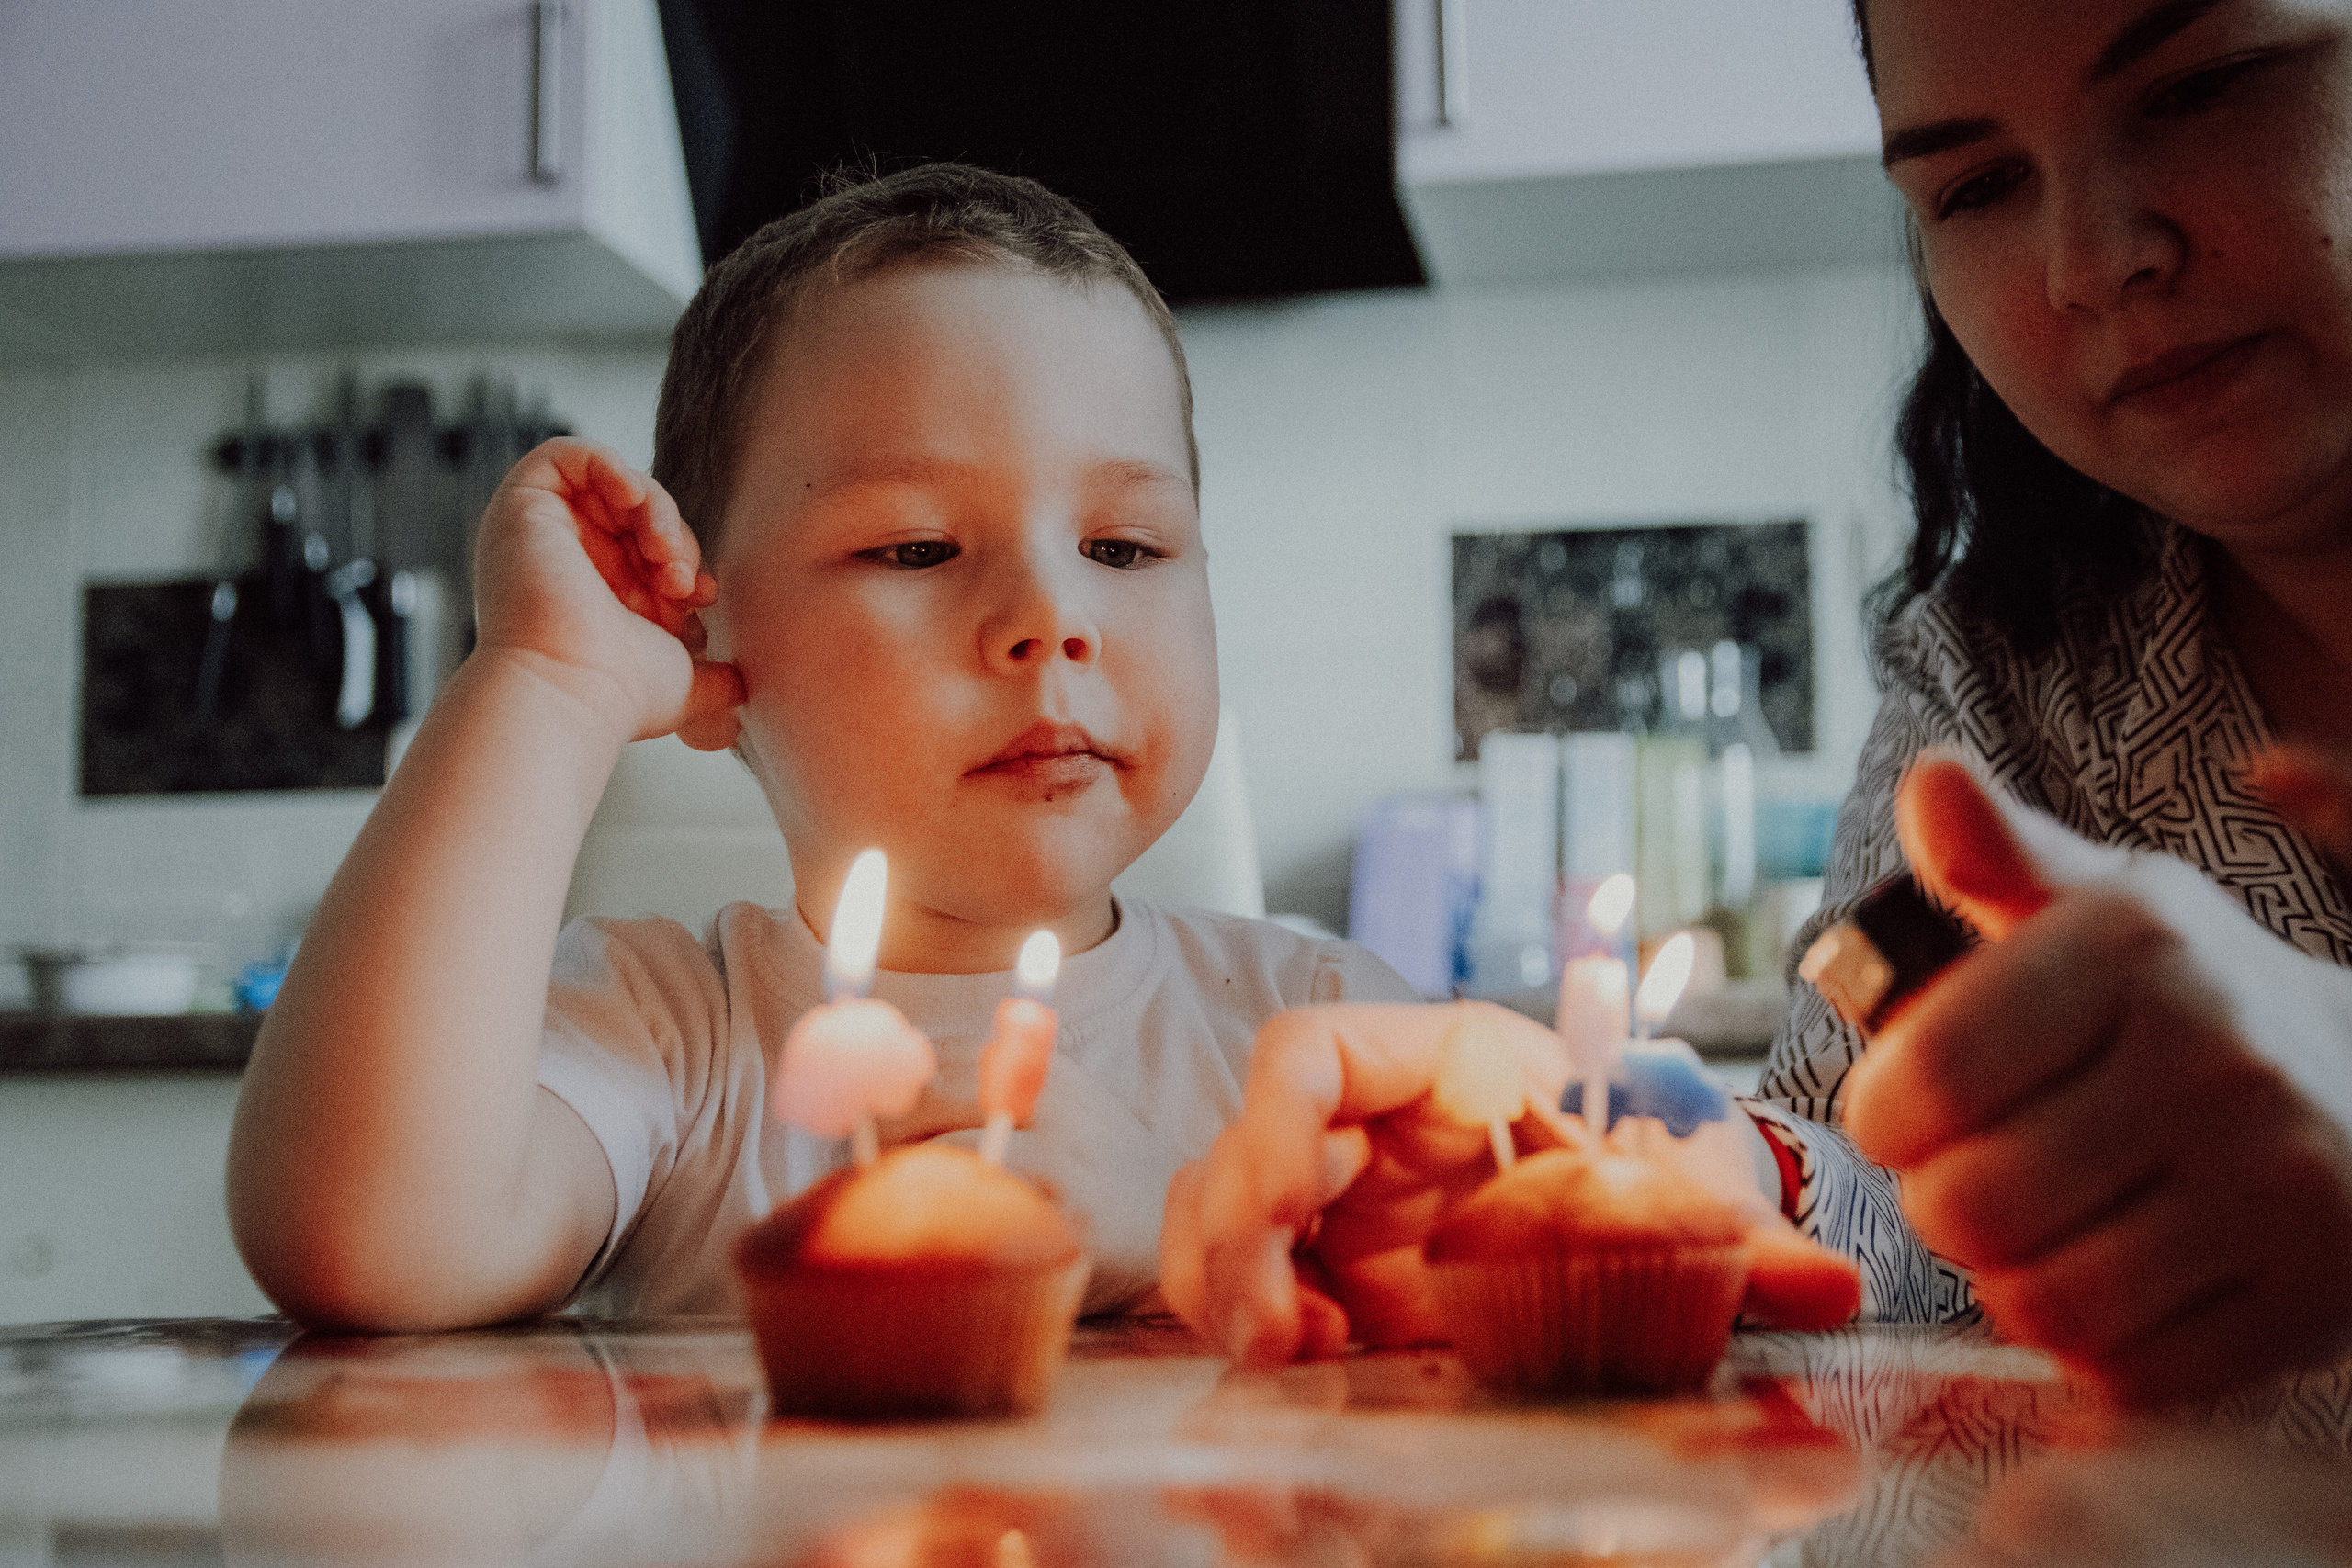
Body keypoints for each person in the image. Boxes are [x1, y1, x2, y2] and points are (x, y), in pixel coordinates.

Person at [1166, 0, 2352, 1404]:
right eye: (1974, 185)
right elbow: (1897, 1184)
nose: (2095, 261)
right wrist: (1719, 1172)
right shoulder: (2002, 682)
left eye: (2204, 88)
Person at [224, 164, 1420, 1333]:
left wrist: (1185, 1222)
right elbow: (368, 1242)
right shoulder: (670, 1037)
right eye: (914, 549)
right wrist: (545, 683)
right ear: (701, 632)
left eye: (1124, 546)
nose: (1054, 617)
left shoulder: (1319, 1035)